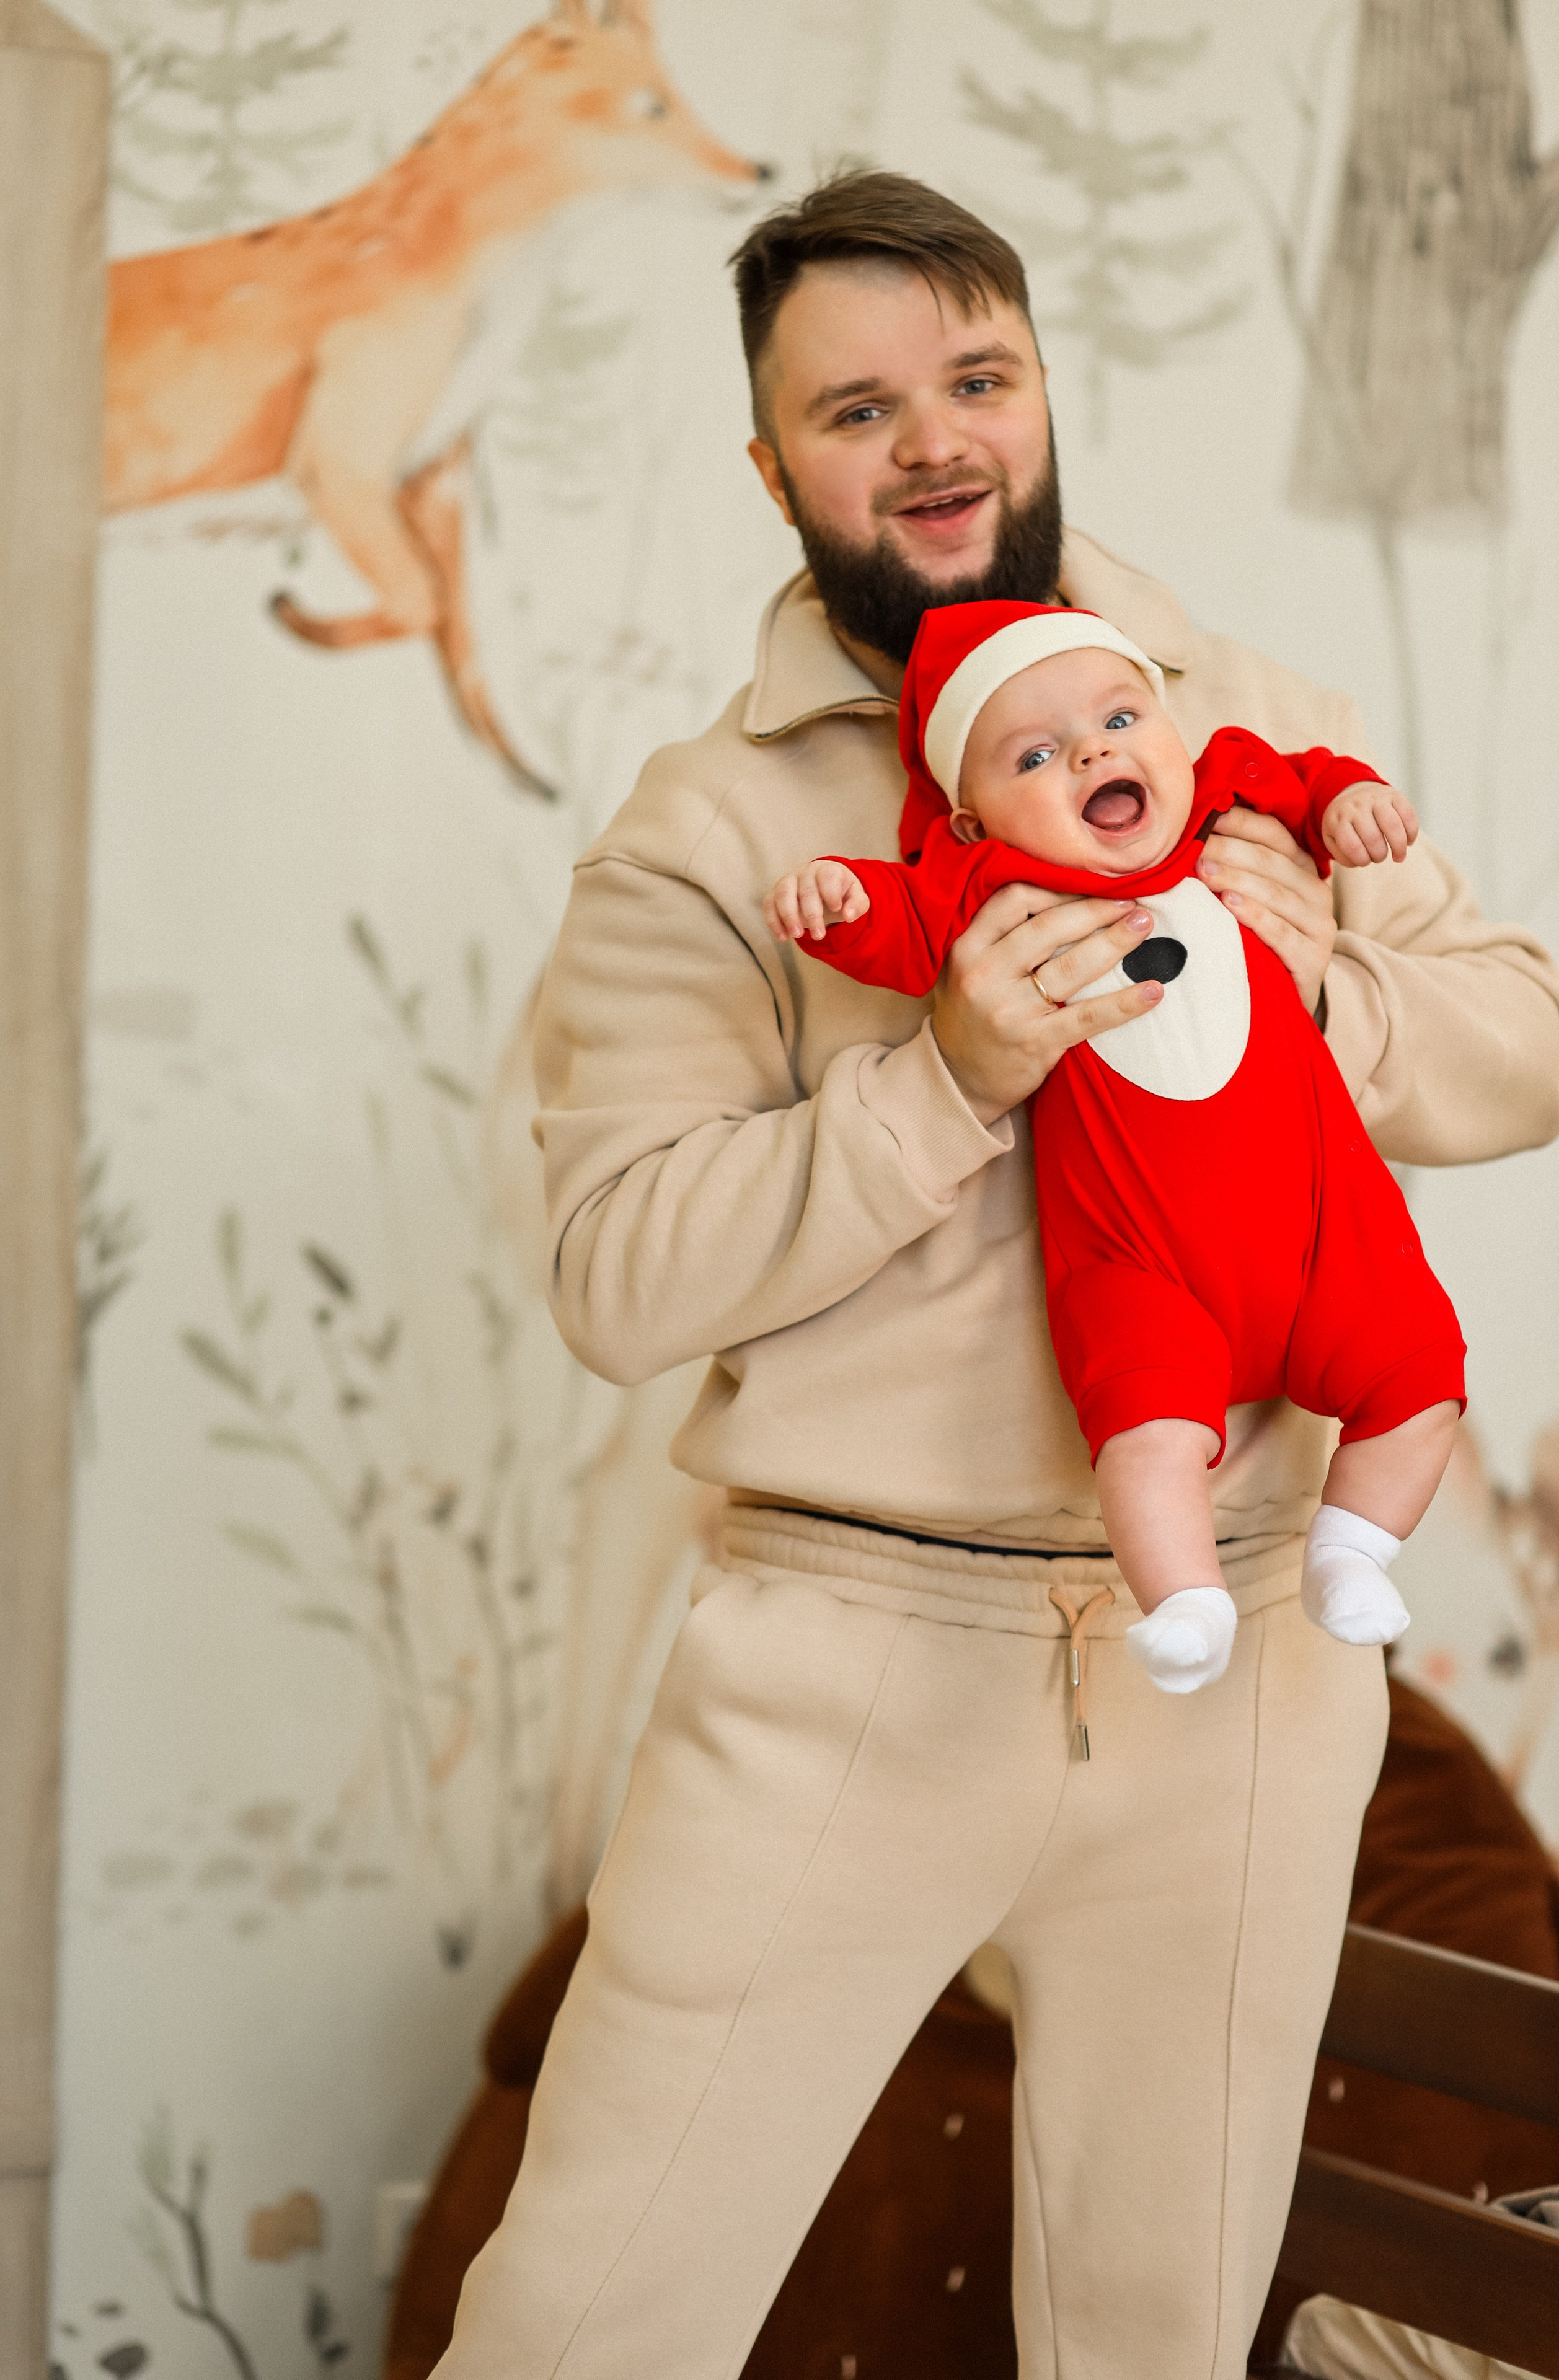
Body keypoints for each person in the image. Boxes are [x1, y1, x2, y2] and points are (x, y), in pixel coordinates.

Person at [433, 172, 1559, 2380]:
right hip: (855, 1653)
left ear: (1042, 396)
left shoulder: (1239, 722)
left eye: (976, 379)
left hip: (1238, 1668)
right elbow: (617, 1273)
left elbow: (1523, 1021)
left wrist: (1303, 1005)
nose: (934, 441)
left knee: (1154, 2338)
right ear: (775, 475)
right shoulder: (710, 835)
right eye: (858, 409)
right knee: (582, 2334)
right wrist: (947, 1075)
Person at [766, 599, 1465, 1698]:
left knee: (1421, 1371)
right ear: (970, 823)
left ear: (1173, 740)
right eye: (1036, 755)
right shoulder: (989, 894)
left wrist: (1356, 802)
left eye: (1121, 717)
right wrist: (837, 899)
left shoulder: (1227, 793)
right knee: (1143, 1433)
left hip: (1325, 1230)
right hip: (1143, 1262)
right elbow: (894, 928)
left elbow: (1317, 777)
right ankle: (1184, 1600)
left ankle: (1354, 1548)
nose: (1095, 751)